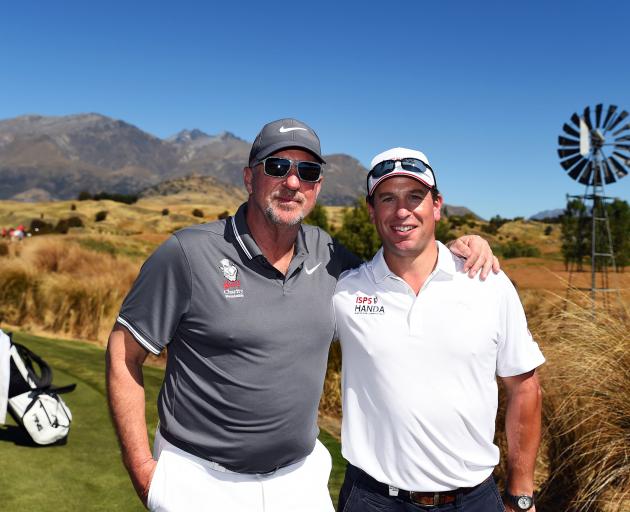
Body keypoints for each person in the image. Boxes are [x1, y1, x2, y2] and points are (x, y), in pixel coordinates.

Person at [105, 121, 499, 512]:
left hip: (299, 482)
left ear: (318, 187)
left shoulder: (330, 257)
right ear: (249, 177)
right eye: (277, 167)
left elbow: (396, 273)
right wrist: (142, 468)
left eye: (307, 172)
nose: (292, 182)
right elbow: (124, 355)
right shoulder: (187, 254)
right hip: (200, 481)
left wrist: (455, 250)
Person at [334, 147, 544, 512]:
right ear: (372, 211)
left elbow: (524, 388)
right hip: (373, 499)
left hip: (473, 500)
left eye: (415, 196)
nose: (403, 211)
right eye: (388, 198)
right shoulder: (345, 291)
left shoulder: (488, 282)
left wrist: (521, 493)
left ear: (437, 206)